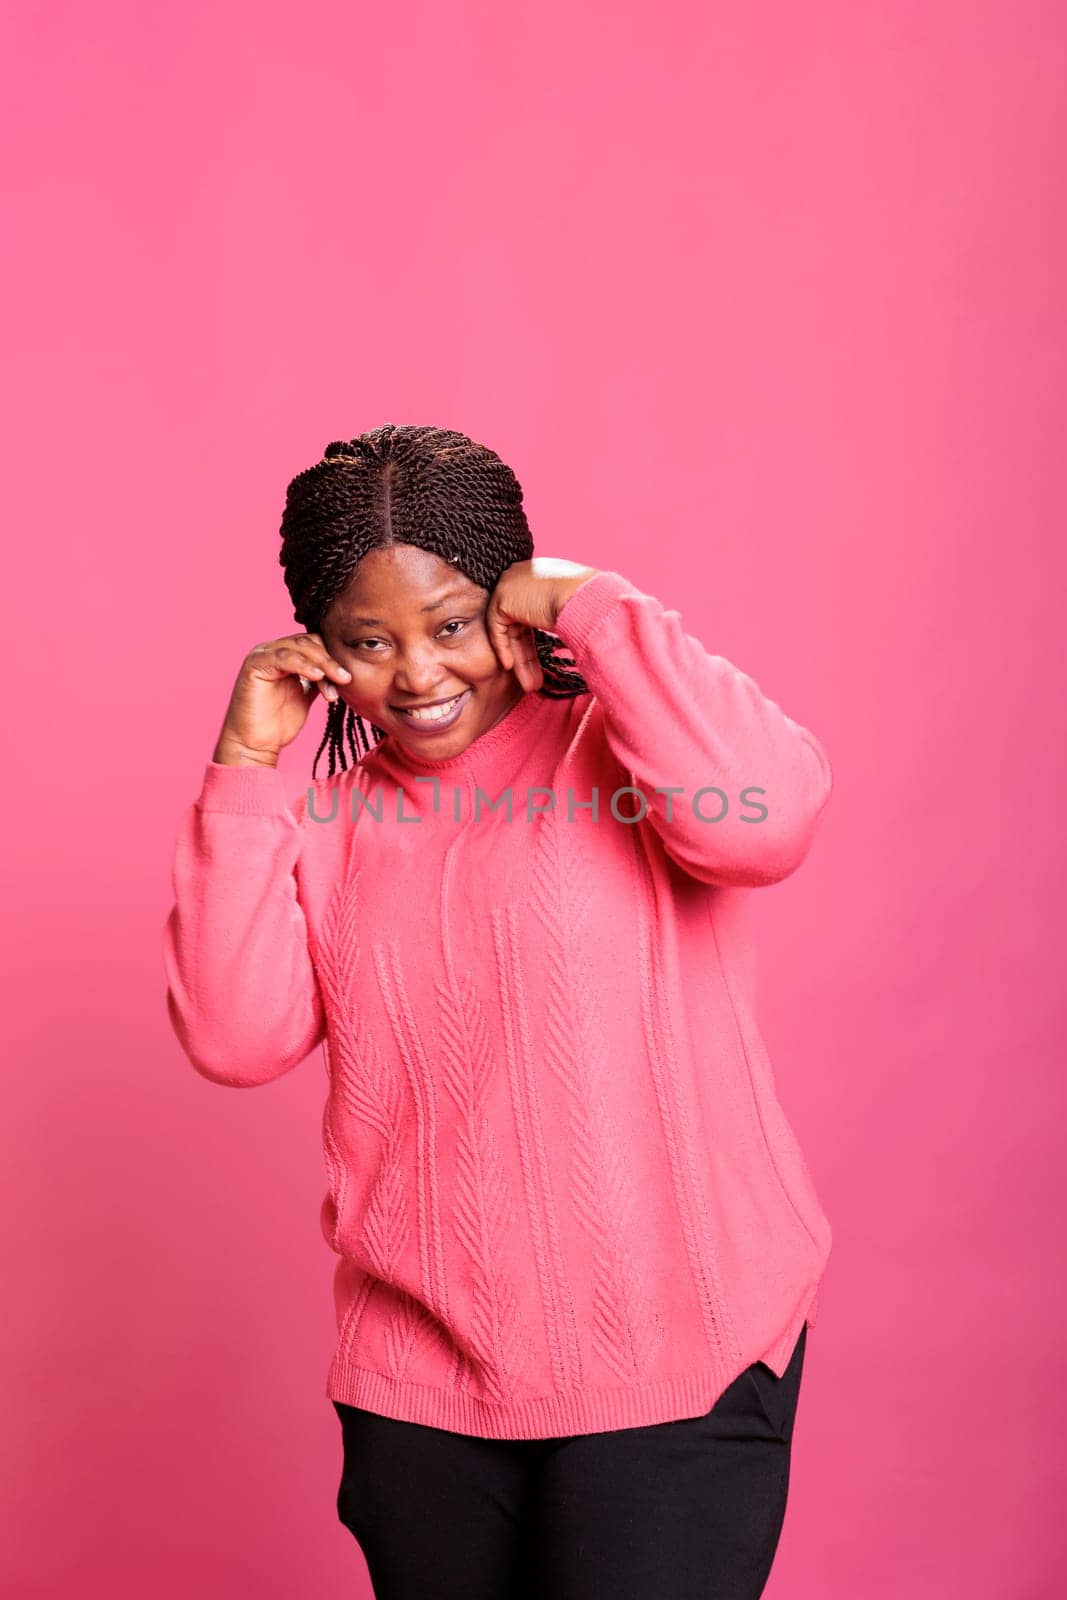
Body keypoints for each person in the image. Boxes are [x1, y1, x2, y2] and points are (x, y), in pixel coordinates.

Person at [162, 422, 834, 1599]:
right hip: (419, 1383)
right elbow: (232, 1034)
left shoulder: (626, 755)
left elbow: (760, 820)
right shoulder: (327, 823)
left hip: (672, 1360)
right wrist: (240, 767)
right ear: (319, 652)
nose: (417, 674)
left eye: (452, 624)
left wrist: (588, 602)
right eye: (368, 641)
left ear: (509, 609)